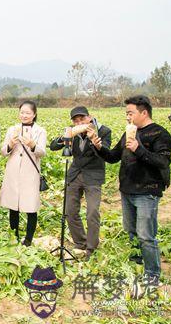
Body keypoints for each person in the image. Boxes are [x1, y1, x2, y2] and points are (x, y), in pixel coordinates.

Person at [90, 95, 171, 282]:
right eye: (126, 113)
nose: (127, 116)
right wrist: (99, 147)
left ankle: (152, 274)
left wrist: (139, 149)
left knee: (146, 235)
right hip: (127, 189)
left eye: (130, 113)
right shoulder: (129, 132)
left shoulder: (160, 134)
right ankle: (137, 263)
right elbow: (113, 157)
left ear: (144, 113)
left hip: (147, 191)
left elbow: (163, 162)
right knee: (131, 231)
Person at [49, 106, 111, 260]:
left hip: (93, 175)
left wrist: (95, 141)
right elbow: (53, 146)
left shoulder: (103, 131)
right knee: (70, 211)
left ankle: (91, 248)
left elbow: (107, 152)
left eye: (82, 119)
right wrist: (66, 137)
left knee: (92, 213)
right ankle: (80, 242)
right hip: (75, 174)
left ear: (90, 118)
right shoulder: (71, 132)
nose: (79, 122)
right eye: (76, 121)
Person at [0, 100, 47, 246]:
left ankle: (28, 239)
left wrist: (32, 144)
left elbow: (42, 152)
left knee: (31, 207)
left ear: (34, 114)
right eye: (22, 112)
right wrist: (11, 144)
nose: (24, 115)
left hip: (30, 173)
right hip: (13, 172)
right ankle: (15, 236)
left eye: (28, 113)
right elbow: (3, 152)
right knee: (13, 206)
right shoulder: (12, 129)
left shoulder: (40, 131)